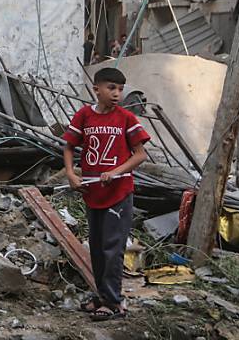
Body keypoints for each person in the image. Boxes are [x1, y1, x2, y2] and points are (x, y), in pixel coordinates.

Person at [62, 67, 150, 321]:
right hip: (92, 192)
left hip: (118, 192)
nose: (117, 94)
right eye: (111, 88)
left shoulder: (126, 119)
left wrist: (116, 171)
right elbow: (69, 146)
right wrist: (70, 173)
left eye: (120, 89)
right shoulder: (84, 116)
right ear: (96, 89)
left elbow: (140, 154)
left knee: (113, 247)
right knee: (98, 248)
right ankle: (102, 296)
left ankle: (113, 303)